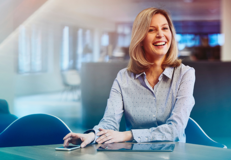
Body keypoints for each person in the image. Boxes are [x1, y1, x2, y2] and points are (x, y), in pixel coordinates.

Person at [63, 7, 195, 148]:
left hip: (174, 154)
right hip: (135, 154)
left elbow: (175, 129)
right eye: (151, 30)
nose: (160, 34)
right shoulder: (123, 77)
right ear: (140, 38)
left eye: (165, 28)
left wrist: (128, 135)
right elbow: (110, 122)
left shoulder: (185, 74)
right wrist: (92, 136)